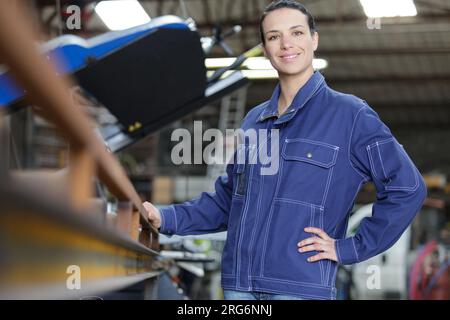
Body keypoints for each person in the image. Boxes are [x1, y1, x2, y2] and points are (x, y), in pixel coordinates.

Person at [143, 0, 427, 300]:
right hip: (239, 287)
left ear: (314, 40)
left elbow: (408, 189)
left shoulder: (351, 115)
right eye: (274, 36)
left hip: (300, 288)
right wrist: (166, 217)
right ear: (265, 48)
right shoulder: (255, 120)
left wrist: (350, 247)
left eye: (297, 33)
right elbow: (228, 202)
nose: (286, 44)